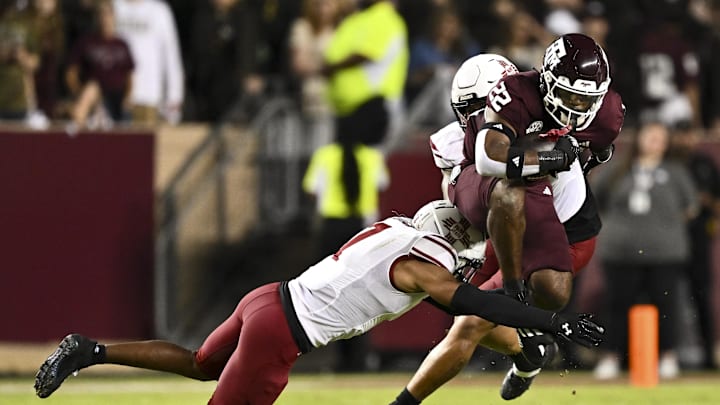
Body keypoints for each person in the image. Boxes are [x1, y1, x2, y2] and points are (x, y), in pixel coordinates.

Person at [34, 200, 605, 404]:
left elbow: (475, 314)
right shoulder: (420, 268)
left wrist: (529, 345)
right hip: (280, 335)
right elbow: (476, 306)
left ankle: (91, 349)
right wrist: (555, 320)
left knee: (199, 365)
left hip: (267, 300)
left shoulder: (399, 233)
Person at [393, 33, 624, 404]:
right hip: (504, 231)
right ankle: (527, 351)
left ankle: (408, 401)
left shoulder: (547, 118)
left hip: (563, 233)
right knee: (460, 309)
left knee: (469, 321)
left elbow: (592, 148)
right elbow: (468, 195)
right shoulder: (459, 140)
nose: (482, 117)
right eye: (474, 108)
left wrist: (570, 161)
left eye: (487, 105)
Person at [591, 121, 698, 379]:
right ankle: (612, 358)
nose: (655, 142)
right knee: (617, 306)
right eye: (650, 136)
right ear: (639, 139)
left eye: (660, 138)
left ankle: (667, 357)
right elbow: (594, 196)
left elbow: (691, 207)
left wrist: (663, 226)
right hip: (620, 251)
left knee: (666, 306)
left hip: (665, 253)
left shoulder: (676, 172)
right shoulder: (617, 170)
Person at [321, 0, 408, 150]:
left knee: (368, 161)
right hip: (351, 108)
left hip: (374, 105)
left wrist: (332, 67)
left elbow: (366, 53)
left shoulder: (384, 17)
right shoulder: (362, 18)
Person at [671, 122, 720, 370]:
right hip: (666, 241)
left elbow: (716, 200)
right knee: (665, 297)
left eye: (688, 133)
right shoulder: (668, 162)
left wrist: (707, 203)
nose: (685, 139)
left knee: (701, 296)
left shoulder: (704, 163)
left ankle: (709, 357)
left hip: (698, 239)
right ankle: (663, 355)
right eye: (680, 134)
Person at [112, 0, 184, 125]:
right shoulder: (112, 7)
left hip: (149, 99)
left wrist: (174, 97)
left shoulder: (160, 11)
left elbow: (171, 55)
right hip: (114, 97)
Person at [65, 0, 134, 128]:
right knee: (92, 87)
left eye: (108, 14)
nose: (105, 19)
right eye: (102, 14)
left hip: (116, 99)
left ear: (114, 16)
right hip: (93, 100)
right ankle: (75, 132)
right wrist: (79, 93)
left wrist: (128, 97)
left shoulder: (122, 44)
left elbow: (130, 75)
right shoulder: (86, 42)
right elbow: (71, 73)